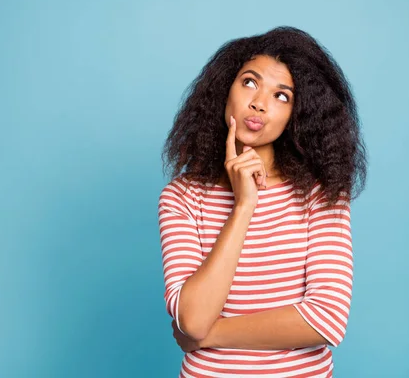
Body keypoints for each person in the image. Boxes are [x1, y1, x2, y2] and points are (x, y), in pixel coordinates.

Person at [157, 26, 367, 377]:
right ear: (225, 90)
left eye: (281, 96)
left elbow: (326, 319)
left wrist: (209, 334)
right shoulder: (181, 199)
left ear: (296, 115)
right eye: (249, 82)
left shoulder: (320, 195)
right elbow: (192, 318)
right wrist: (243, 207)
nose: (259, 102)